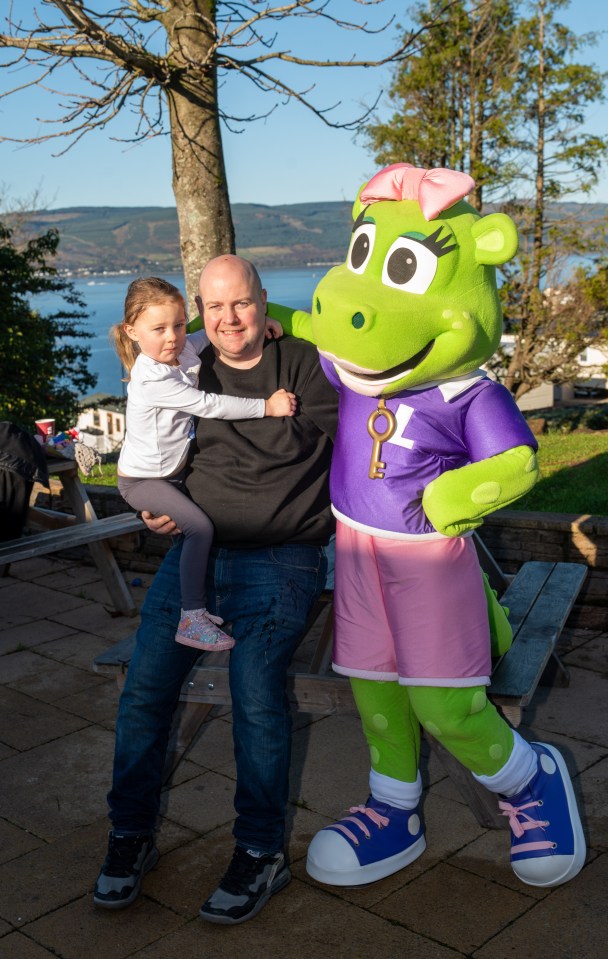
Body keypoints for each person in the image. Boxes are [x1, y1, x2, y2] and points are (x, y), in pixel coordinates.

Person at [94, 255, 338, 924]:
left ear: (264, 300)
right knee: (145, 687)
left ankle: (261, 851)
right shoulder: (185, 361)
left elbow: (356, 444)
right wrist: (153, 503)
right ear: (201, 310)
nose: (229, 319)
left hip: (282, 557)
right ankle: (131, 832)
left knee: (256, 692)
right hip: (195, 556)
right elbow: (155, 439)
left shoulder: (303, 363)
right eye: (215, 307)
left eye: (243, 303)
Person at [110, 276, 296, 652]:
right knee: (200, 529)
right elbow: (210, 404)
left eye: (178, 325)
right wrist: (268, 406)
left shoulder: (182, 351)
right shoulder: (152, 379)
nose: (173, 337)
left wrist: (267, 321)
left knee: (193, 529)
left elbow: (211, 332)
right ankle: (191, 618)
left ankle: (197, 604)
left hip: (169, 474)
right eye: (158, 328)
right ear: (132, 331)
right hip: (143, 480)